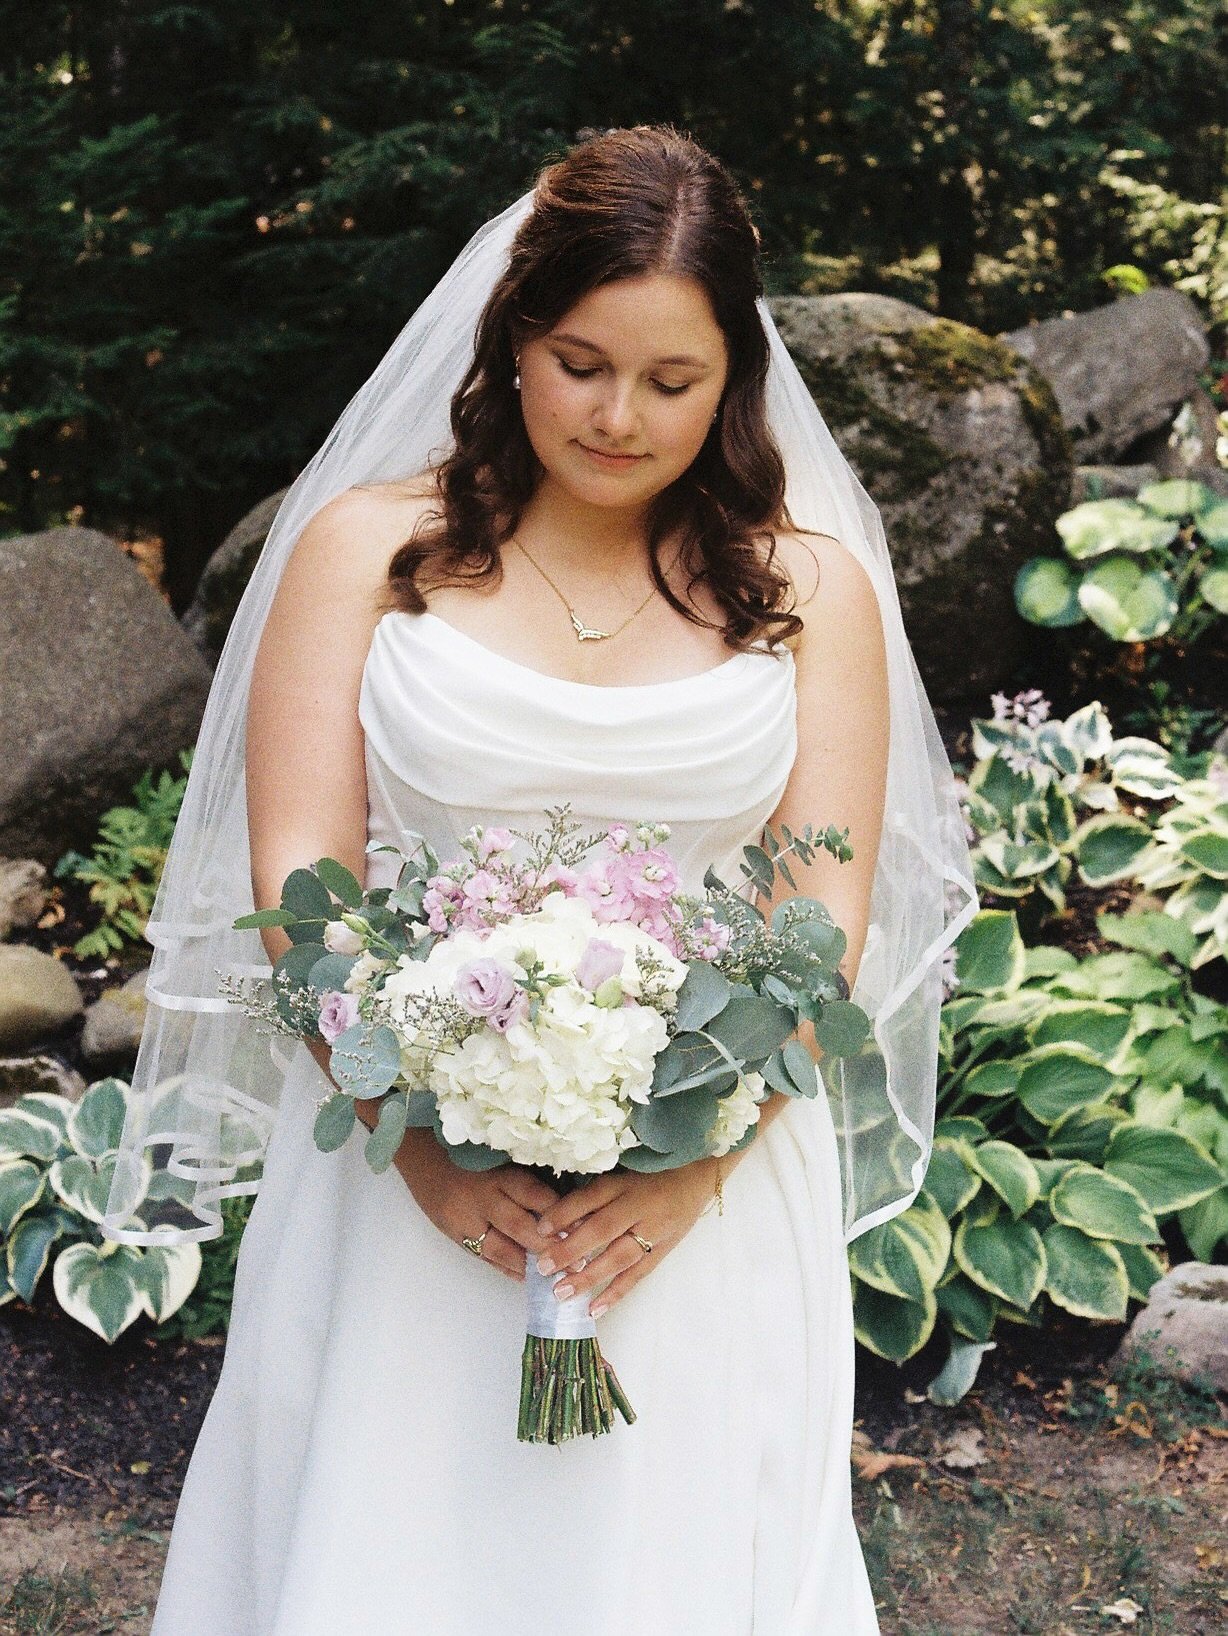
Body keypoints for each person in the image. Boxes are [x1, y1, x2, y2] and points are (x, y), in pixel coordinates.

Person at [105, 123, 977, 1634]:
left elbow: (816, 914)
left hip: (704, 1196)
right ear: (512, 338)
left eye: (673, 380)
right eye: (582, 362)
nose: (622, 417)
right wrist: (427, 1148)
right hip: (400, 1174)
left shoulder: (808, 590)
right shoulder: (365, 556)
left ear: (735, 382)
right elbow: (300, 879)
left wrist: (690, 1161)